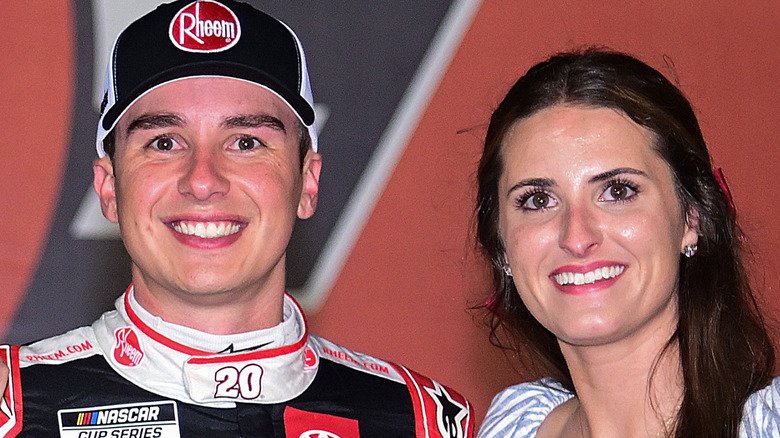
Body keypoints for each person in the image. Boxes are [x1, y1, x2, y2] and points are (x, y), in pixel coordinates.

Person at [0, 1, 474, 436]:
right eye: (164, 142)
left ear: (307, 184)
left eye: (246, 142)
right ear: (109, 188)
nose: (203, 180)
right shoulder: (13, 408)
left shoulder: (424, 420)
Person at [474, 49, 778, 437]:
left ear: (692, 217)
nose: (577, 237)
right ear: (500, 246)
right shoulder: (512, 425)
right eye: (538, 200)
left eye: (618, 191)